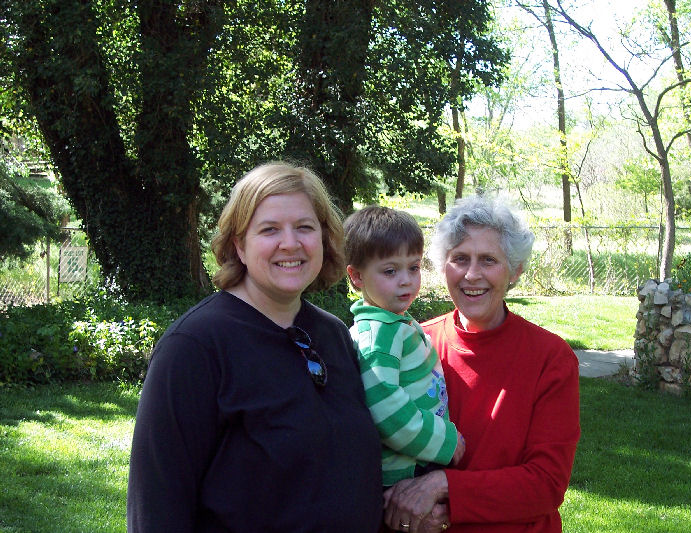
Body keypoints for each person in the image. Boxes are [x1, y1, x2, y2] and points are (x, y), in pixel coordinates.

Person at [127, 162, 383, 532]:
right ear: (239, 245)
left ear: (324, 239)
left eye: (305, 227)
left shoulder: (333, 335)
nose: (290, 243)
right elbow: (157, 506)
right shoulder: (194, 347)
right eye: (269, 229)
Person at [382, 195, 581, 533]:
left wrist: (445, 486)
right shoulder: (412, 345)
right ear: (443, 266)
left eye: (488, 260)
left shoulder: (550, 358)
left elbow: (546, 484)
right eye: (460, 259)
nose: (472, 274)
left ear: (515, 270)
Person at [343, 206, 466, 491]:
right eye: (390, 271)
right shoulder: (378, 337)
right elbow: (386, 411)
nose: (406, 280)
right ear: (357, 276)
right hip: (406, 470)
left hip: (419, 456)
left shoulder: (394, 322)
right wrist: (445, 442)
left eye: (414, 267)